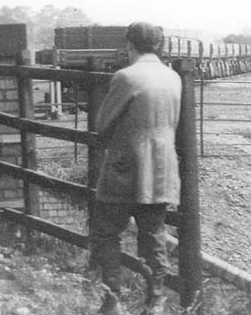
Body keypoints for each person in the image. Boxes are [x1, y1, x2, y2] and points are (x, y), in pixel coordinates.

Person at [91, 21, 181, 315]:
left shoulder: (125, 77)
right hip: (162, 170)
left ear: (129, 44)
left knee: (106, 231)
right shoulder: (173, 77)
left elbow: (102, 124)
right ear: (158, 45)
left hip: (125, 169)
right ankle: (156, 301)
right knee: (153, 234)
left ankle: (112, 299)